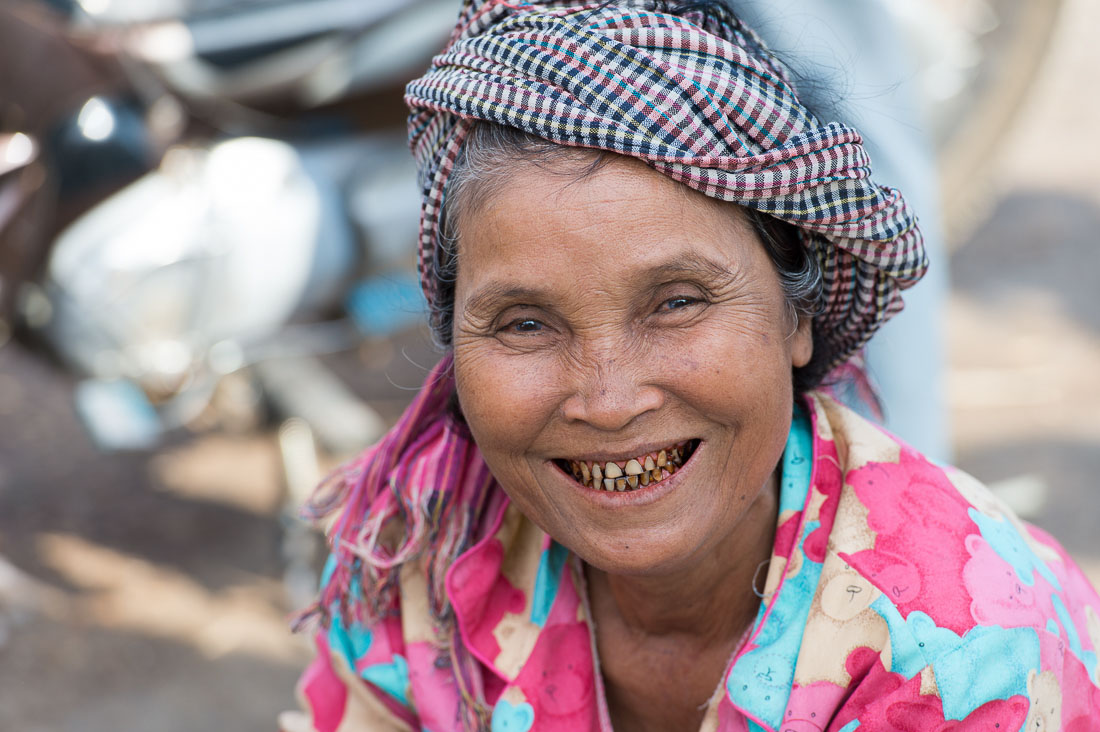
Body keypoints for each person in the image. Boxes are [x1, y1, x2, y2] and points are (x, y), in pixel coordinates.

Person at [279, 2, 1100, 730]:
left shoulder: (960, 646)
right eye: (525, 323)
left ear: (796, 315)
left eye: (677, 303)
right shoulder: (422, 550)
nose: (608, 399)